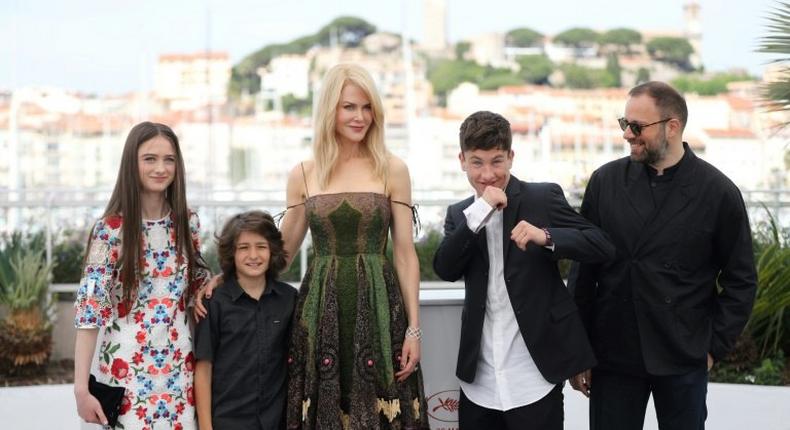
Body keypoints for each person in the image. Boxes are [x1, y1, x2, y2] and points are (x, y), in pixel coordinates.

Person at [196, 63, 429, 429]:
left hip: (382, 307)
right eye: (349, 107)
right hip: (323, 310)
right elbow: (282, 252)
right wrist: (226, 278)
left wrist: (414, 329)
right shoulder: (303, 173)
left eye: (367, 108)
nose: (360, 117)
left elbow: (404, 254)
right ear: (329, 110)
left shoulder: (393, 169)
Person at [568, 81, 757, 430]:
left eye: (637, 127)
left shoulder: (718, 192)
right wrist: (580, 352)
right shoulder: (605, 182)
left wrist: (712, 347)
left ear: (673, 127)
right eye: (624, 124)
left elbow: (742, 280)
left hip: (682, 354)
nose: (627, 135)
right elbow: (584, 271)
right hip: (613, 354)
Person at [432, 111, 616, 430]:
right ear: (461, 160)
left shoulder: (542, 198)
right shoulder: (460, 213)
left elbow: (601, 245)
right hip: (480, 381)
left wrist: (545, 236)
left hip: (534, 375)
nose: (488, 174)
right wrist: (479, 212)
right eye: (477, 162)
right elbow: (445, 268)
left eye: (497, 161)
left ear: (511, 157)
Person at [73, 122, 210, 429]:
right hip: (125, 375)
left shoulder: (189, 223)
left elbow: (199, 290)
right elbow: (89, 313)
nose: (161, 168)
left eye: (169, 159)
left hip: (178, 375)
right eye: (150, 158)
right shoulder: (109, 231)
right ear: (131, 164)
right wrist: (81, 389)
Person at [194, 210, 297, 430]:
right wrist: (205, 426)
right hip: (227, 421)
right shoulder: (214, 303)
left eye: (261, 246)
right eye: (243, 247)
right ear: (231, 253)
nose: (253, 255)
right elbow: (203, 368)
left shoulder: (289, 299)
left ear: (272, 250)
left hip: (276, 421)